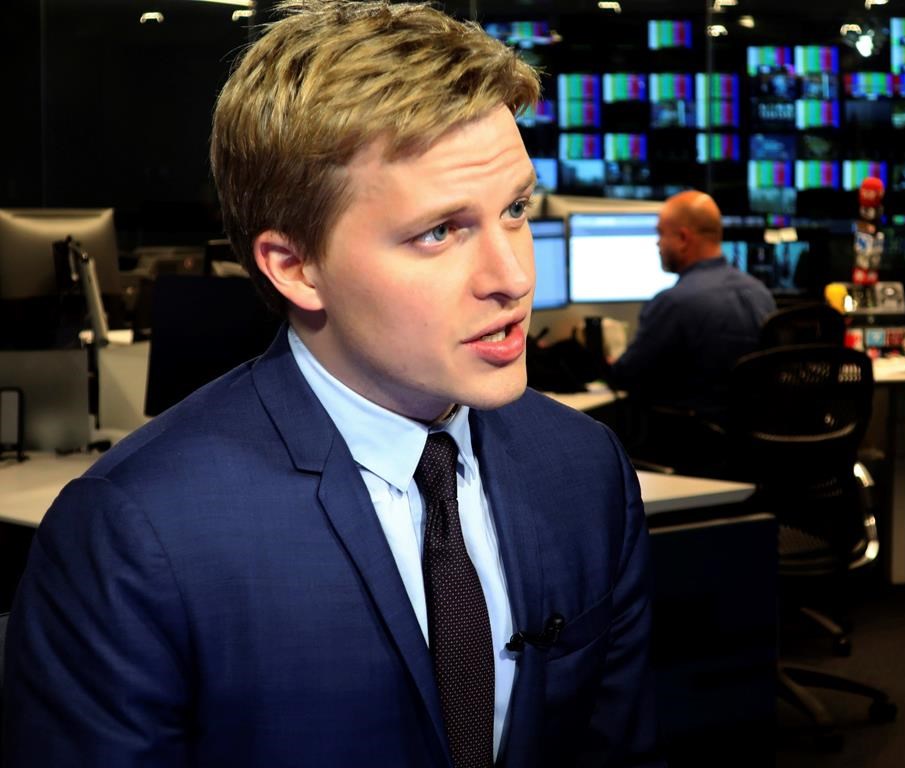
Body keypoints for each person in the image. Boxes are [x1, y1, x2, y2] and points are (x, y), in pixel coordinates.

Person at [3, 2, 662, 766]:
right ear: (295, 266)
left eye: (514, 209)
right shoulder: (135, 534)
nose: (512, 277)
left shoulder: (583, 470)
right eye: (439, 232)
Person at [608, 190, 776, 426]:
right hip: (753, 442)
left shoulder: (674, 302)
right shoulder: (761, 293)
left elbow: (626, 376)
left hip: (691, 443)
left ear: (683, 239)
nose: (658, 243)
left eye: (661, 234)